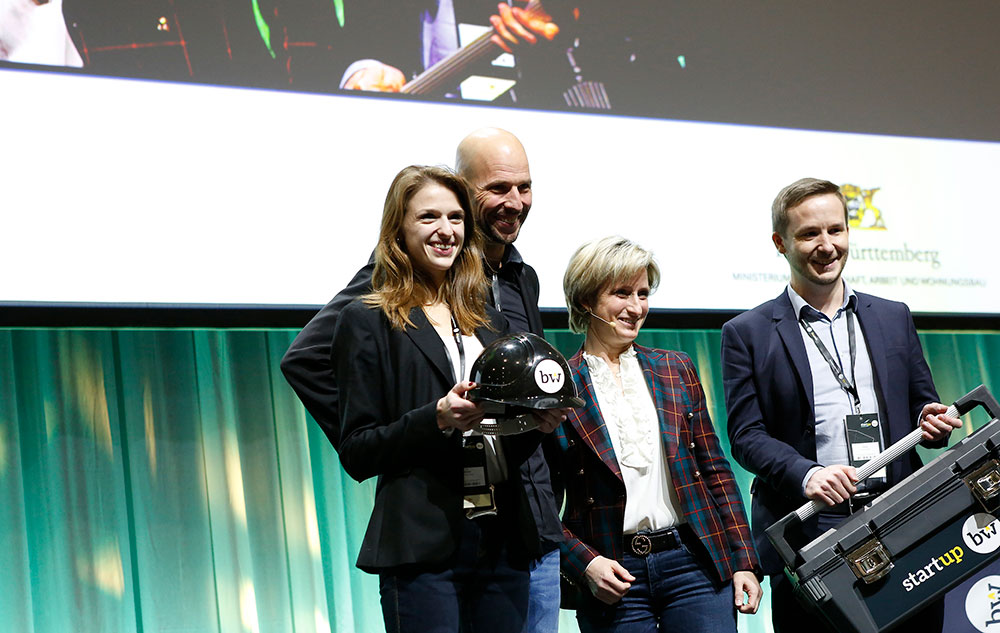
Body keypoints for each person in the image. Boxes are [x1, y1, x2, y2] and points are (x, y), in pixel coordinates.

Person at [281, 129, 564, 633]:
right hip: (425, 543)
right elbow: (359, 452)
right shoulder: (369, 318)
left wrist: (535, 425)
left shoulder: (490, 320)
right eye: (429, 217)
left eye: (455, 218)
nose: (446, 230)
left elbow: (499, 437)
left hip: (501, 537)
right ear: (399, 229)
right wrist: (432, 419)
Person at [720, 177, 962, 633]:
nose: (827, 245)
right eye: (810, 233)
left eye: (836, 230)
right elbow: (746, 437)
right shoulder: (748, 333)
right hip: (814, 530)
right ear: (780, 242)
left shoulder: (893, 316)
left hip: (903, 519)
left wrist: (933, 419)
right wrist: (807, 474)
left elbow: (922, 404)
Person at [555, 236, 762, 633]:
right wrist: (585, 564)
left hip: (695, 566)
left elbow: (716, 470)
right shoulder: (561, 387)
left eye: (643, 293)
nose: (636, 308)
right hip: (614, 575)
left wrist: (743, 561)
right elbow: (542, 503)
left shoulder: (675, 368)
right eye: (621, 293)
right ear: (585, 301)